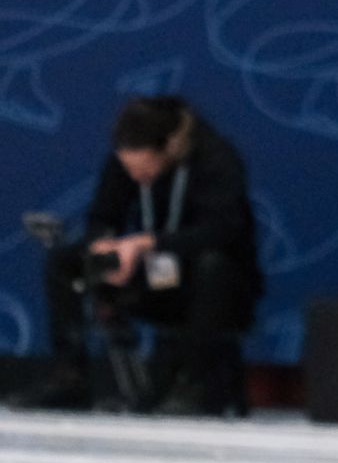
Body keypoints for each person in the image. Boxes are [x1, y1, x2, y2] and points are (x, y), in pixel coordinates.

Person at [14, 96, 263, 416]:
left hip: (211, 284)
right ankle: (70, 376)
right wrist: (103, 245)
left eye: (144, 170)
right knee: (64, 262)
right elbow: (102, 216)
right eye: (130, 170)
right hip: (150, 277)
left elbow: (222, 231)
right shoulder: (124, 163)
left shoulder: (217, 159)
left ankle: (197, 383)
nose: (136, 178)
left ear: (170, 147)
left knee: (213, 264)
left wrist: (147, 243)